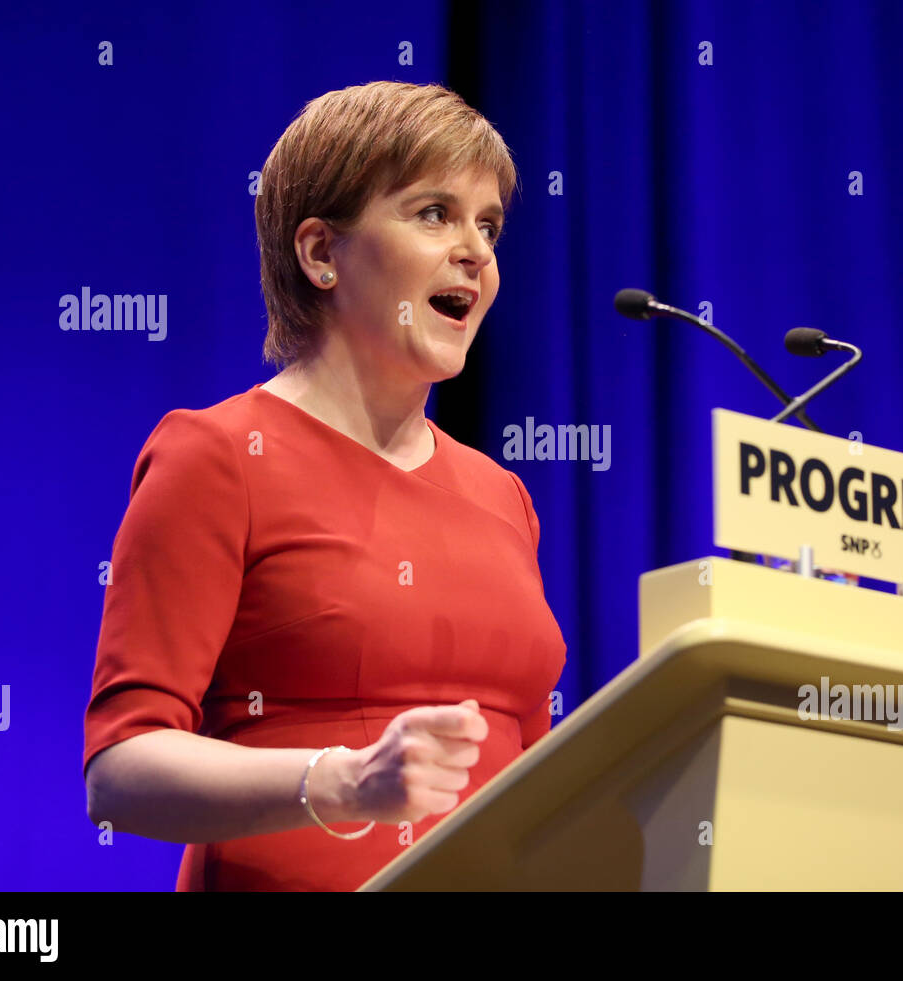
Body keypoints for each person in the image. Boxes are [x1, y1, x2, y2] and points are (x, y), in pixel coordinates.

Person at [82, 81, 567, 891]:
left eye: (489, 225)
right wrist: (346, 782)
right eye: (433, 214)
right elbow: (120, 773)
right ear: (319, 253)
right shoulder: (217, 457)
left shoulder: (500, 494)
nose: (477, 251)